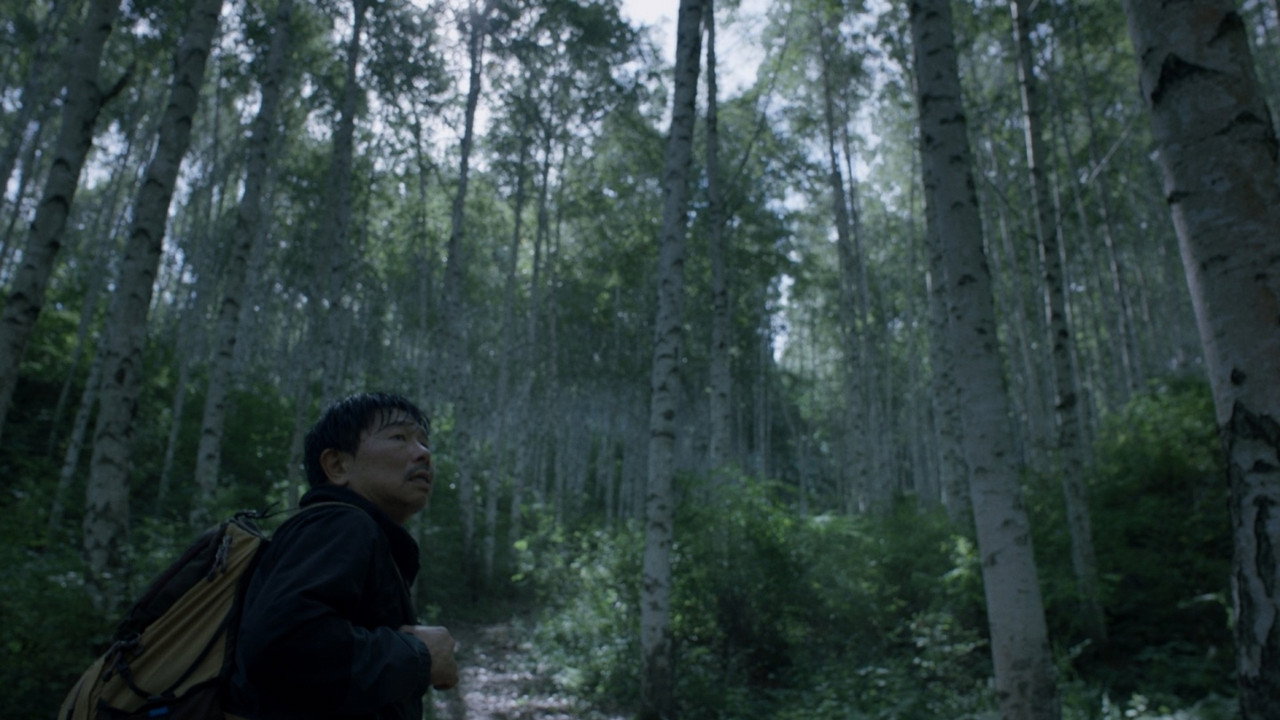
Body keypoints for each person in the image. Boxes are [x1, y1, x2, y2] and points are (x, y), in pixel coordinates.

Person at [227, 392, 459, 720]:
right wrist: (419, 656)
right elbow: (283, 646)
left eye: (424, 442)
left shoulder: (356, 532)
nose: (423, 454)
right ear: (337, 465)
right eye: (399, 437)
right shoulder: (341, 523)